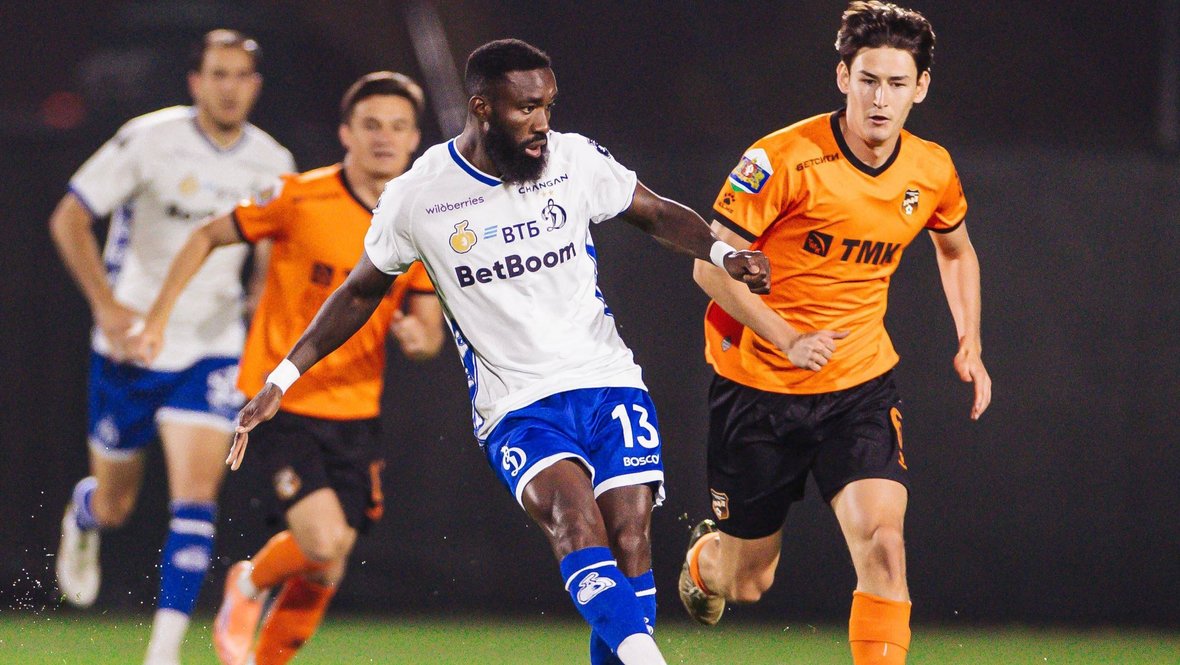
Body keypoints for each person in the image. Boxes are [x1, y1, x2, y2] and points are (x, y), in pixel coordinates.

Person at [227, 39, 769, 665]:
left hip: (607, 380)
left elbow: (652, 212)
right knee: (574, 521)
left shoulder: (573, 159)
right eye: (526, 109)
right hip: (517, 405)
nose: (542, 123)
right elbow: (358, 293)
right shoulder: (420, 195)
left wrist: (723, 253)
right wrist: (283, 376)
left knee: (629, 543)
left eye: (548, 106)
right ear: (482, 107)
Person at [678, 3, 992, 664]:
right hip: (757, 389)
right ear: (844, 77)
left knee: (885, 545)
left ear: (921, 87)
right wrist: (786, 337)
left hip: (859, 388)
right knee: (748, 581)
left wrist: (971, 341)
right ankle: (708, 561)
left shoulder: (931, 168)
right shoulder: (781, 158)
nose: (881, 99)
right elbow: (709, 265)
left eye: (897, 83)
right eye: (868, 80)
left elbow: (956, 248)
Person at [131, 71, 443, 665]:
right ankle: (248, 583)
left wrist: (418, 339)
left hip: (357, 412)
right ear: (345, 133)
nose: (384, 137)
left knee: (327, 566)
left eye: (398, 126)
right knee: (321, 542)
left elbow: (428, 334)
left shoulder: (417, 224)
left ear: (413, 140)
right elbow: (206, 235)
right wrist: (158, 317)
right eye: (371, 125)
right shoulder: (299, 197)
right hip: (283, 401)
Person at [49, 29, 294, 665]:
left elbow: (276, 248)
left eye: (241, 76)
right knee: (116, 505)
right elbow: (69, 217)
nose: (229, 88)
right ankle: (84, 516)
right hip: (131, 344)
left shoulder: (273, 162)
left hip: (212, 345)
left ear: (256, 86)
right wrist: (107, 307)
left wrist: (261, 298)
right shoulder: (149, 139)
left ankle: (163, 652)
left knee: (196, 499)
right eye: (218, 74)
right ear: (195, 82)